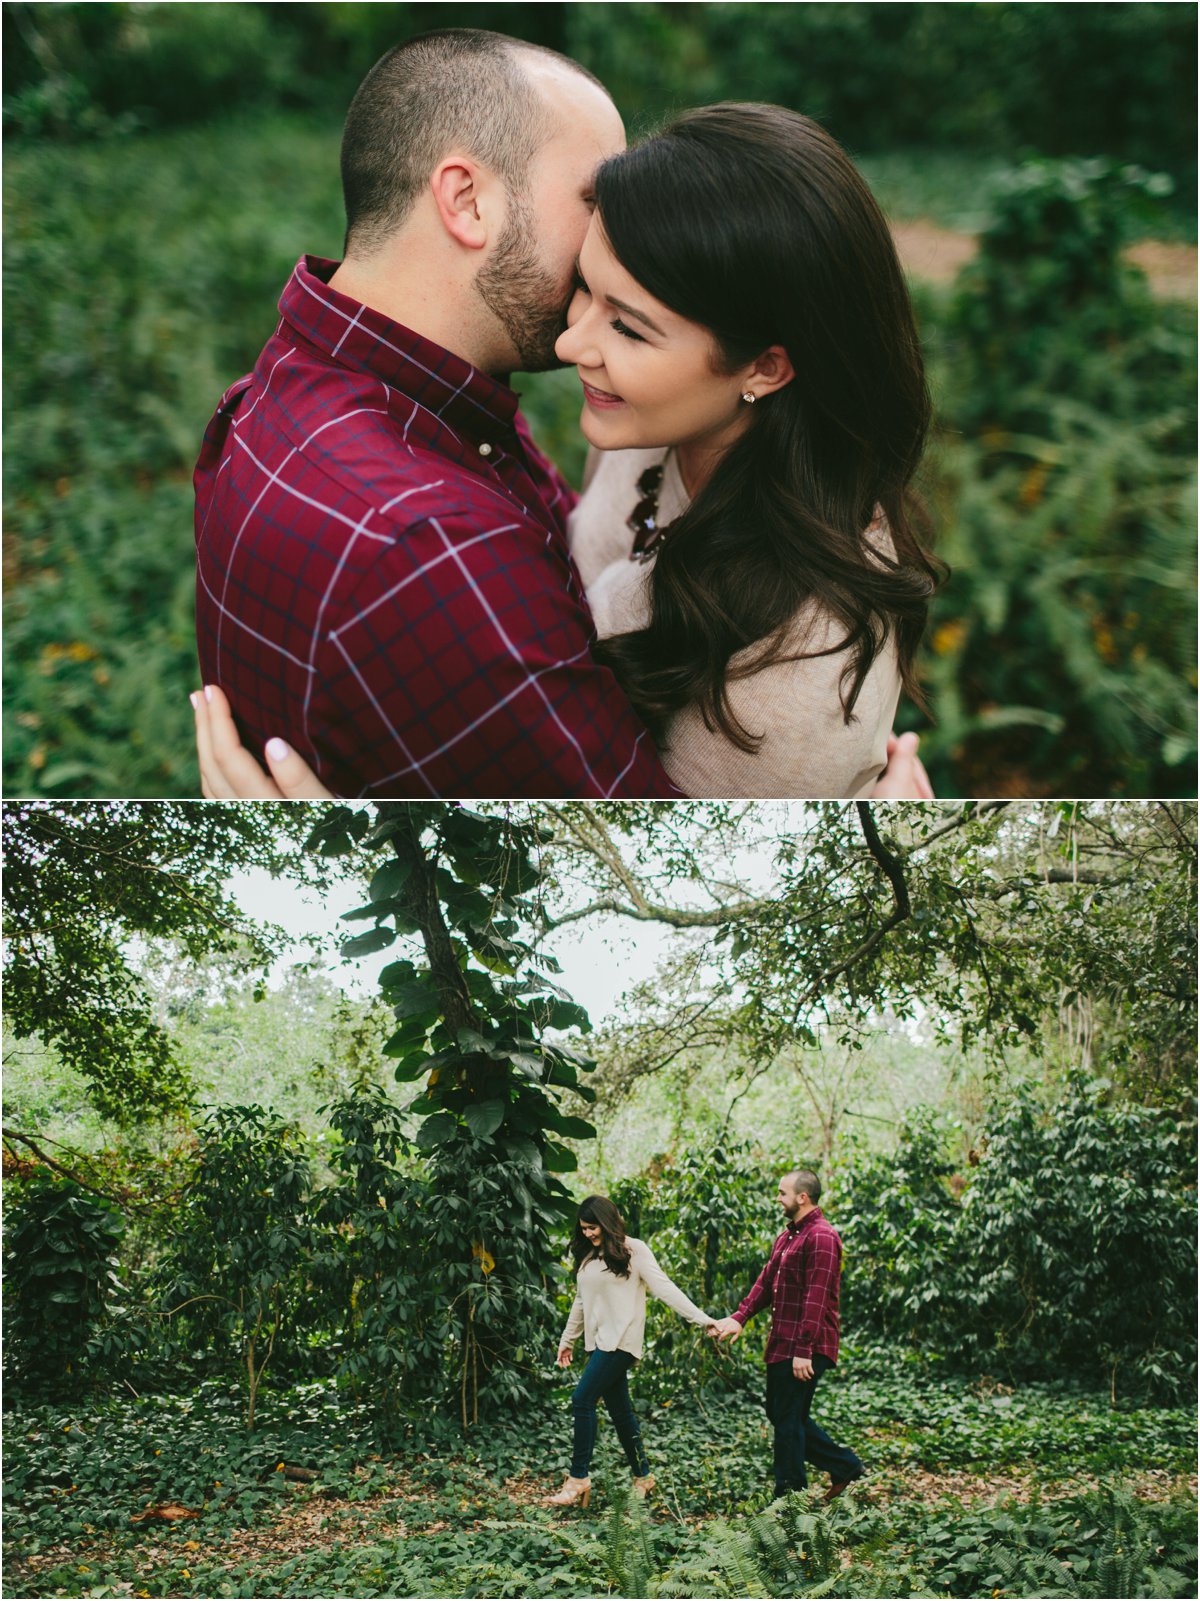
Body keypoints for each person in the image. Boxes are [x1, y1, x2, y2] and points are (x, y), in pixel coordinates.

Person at [195, 34, 938, 798]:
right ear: (466, 199)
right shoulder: (437, 544)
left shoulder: (295, 397)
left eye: (631, 322)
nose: (612, 225)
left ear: (765, 367)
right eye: (592, 196)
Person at [549, 1195, 718, 1508]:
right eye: (583, 1229)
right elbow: (581, 1301)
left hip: (622, 1341)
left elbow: (664, 1287)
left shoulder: (633, 1250)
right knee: (621, 1413)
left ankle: (578, 1478)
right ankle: (643, 1476)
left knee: (582, 1399)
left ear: (607, 1221)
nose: (588, 1234)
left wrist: (702, 1319)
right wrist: (567, 1339)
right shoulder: (588, 1257)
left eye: (593, 1227)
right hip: (598, 1343)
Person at [711, 1169, 863, 1502]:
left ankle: (789, 1498)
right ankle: (844, 1466)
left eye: (782, 1193)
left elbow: (817, 1295)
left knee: (788, 1418)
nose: (778, 1198)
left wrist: (804, 1349)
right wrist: (740, 1317)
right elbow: (766, 1282)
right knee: (781, 1414)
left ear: (802, 1197)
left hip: (807, 1345)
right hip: (784, 1342)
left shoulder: (822, 1237)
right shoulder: (789, 1237)